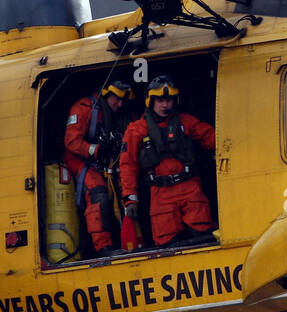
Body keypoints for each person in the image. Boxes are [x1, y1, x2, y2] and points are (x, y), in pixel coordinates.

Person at [120, 76, 217, 247]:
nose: (165, 105)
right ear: (151, 101)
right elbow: (128, 165)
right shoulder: (136, 130)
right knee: (167, 243)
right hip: (160, 193)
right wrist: (131, 199)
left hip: (190, 189)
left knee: (204, 237)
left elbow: (215, 138)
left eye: (169, 100)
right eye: (160, 100)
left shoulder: (186, 122)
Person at [63, 78, 134, 256]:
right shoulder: (84, 108)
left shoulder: (123, 114)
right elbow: (71, 141)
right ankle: (103, 247)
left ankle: (129, 242)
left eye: (123, 100)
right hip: (82, 162)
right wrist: (94, 150)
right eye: (116, 99)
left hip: (108, 164)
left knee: (126, 192)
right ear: (105, 94)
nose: (120, 103)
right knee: (98, 193)